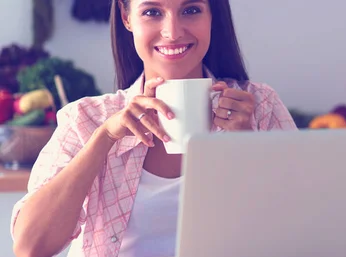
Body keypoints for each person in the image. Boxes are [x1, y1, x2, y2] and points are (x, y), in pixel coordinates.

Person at [10, 0, 297, 256]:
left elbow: (304, 231)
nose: (172, 31)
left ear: (213, 15)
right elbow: (30, 247)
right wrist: (105, 138)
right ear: (127, 17)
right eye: (151, 12)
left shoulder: (259, 107)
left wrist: (250, 150)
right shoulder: (86, 118)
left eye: (191, 10)